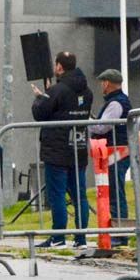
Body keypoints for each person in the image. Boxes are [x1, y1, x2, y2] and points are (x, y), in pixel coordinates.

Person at [31, 52, 94, 248]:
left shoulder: (58, 90)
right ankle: (81, 238)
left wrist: (40, 98)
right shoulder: (88, 91)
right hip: (79, 147)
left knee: (57, 193)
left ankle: (58, 236)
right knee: (79, 194)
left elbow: (40, 114)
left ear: (59, 67)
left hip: (57, 149)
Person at [90, 69, 132, 242]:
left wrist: (88, 122)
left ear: (107, 83)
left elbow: (102, 127)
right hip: (118, 152)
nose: (101, 85)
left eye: (102, 82)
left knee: (115, 193)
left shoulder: (115, 103)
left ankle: (120, 235)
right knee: (115, 192)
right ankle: (118, 233)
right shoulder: (120, 101)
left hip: (116, 153)